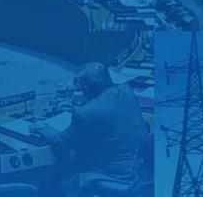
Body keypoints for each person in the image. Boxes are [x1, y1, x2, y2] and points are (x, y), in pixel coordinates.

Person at [32, 63, 148, 197]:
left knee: (53, 179)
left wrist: (42, 128)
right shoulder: (126, 90)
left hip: (110, 176)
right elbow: (106, 109)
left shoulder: (85, 113)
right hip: (138, 173)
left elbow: (61, 141)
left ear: (85, 88)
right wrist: (83, 105)